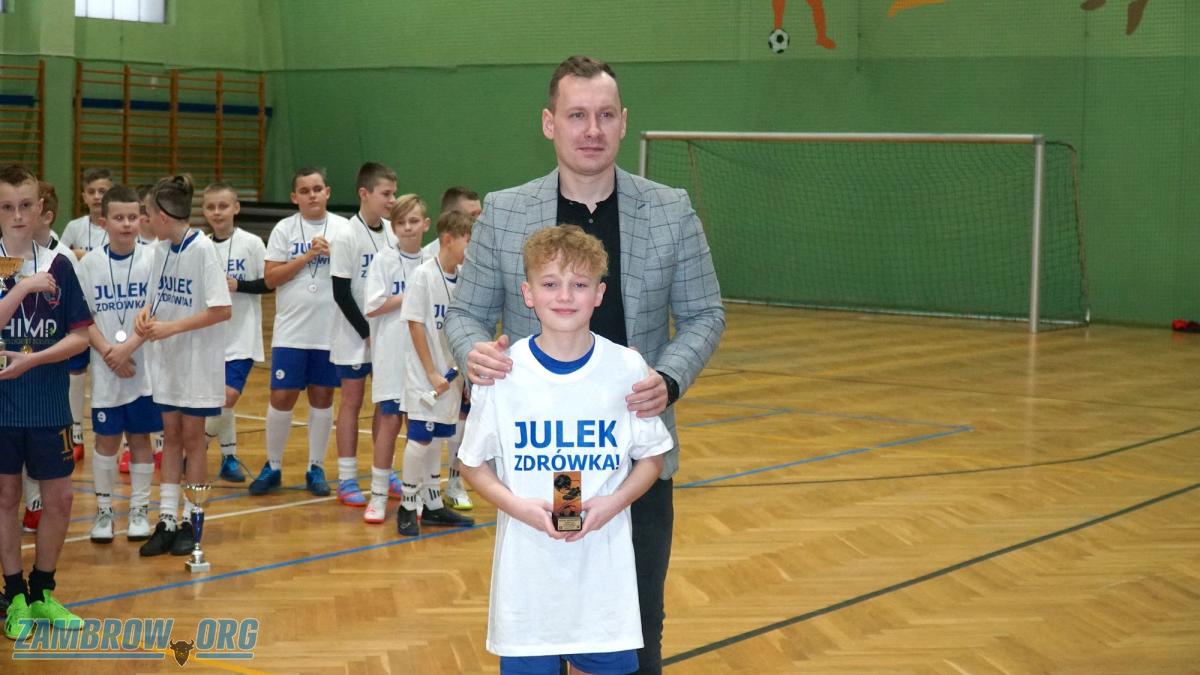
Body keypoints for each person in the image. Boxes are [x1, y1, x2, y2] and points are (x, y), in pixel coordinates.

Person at [445, 55, 726, 674]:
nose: (591, 129)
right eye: (577, 115)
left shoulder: (670, 208)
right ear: (550, 123)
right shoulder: (506, 211)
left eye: (604, 115)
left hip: (632, 460)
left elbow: (705, 313)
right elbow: (463, 314)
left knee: (635, 629)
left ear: (623, 122)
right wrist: (473, 352)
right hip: (539, 465)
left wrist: (668, 380)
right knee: (538, 630)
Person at [458, 225, 673, 675]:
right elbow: (472, 465)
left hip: (603, 583)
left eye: (579, 284)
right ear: (528, 293)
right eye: (550, 283)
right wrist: (519, 507)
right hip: (528, 583)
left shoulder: (626, 367)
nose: (565, 296)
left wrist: (614, 502)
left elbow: (652, 457)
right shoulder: (504, 372)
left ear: (599, 294)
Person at [0, 164, 91, 636]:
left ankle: (42, 592)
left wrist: (33, 360)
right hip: (2, 407)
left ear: (40, 209)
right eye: (7, 207)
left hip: (50, 404)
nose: (17, 216)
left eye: (24, 206)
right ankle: (14, 595)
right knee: (6, 497)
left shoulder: (60, 264)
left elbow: (81, 337)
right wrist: (21, 287)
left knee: (61, 498)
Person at [133, 175, 232, 557]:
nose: (144, 220)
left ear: (162, 216)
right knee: (169, 437)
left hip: (198, 362)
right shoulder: (160, 250)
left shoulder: (203, 249)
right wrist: (145, 315)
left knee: (193, 439)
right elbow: (155, 299)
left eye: (147, 214)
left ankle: (193, 519)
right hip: (169, 360)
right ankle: (167, 520)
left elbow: (221, 309)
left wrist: (172, 327)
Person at [249, 167, 347, 498]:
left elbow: (358, 275)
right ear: (295, 197)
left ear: (327, 192)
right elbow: (271, 278)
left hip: (329, 330)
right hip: (291, 330)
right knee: (281, 396)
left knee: (323, 396)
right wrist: (307, 256)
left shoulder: (344, 229)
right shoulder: (284, 229)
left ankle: (315, 467)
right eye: (304, 191)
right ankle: (273, 465)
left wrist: (335, 254)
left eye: (317, 189)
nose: (312, 195)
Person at [77, 185, 159, 544]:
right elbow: (83, 318)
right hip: (106, 369)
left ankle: (139, 510)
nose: (127, 224)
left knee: (141, 439)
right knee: (106, 441)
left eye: (132, 217)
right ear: (103, 222)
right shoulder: (90, 264)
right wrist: (111, 353)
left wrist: (128, 350)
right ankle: (104, 512)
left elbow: (157, 311)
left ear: (141, 219)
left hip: (143, 369)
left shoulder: (153, 259)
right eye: (119, 218)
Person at [396, 210, 476, 536]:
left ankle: (432, 503)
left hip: (450, 375)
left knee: (437, 441)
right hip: (425, 374)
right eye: (468, 241)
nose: (471, 248)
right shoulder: (423, 275)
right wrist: (430, 371)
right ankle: (406, 505)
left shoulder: (463, 278)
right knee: (420, 438)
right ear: (448, 239)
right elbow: (415, 323)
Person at [329, 162, 398, 507]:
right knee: (352, 401)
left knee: (386, 403)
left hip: (386, 335)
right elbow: (341, 292)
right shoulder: (346, 235)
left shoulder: (393, 233)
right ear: (364, 193)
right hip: (354, 334)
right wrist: (366, 332)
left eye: (394, 193)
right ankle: (346, 477)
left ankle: (383, 472)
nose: (392, 200)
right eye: (386, 194)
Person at [360, 194, 429, 523]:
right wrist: (408, 295)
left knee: (421, 426)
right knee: (389, 422)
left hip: (423, 358)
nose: (408, 227)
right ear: (394, 227)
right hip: (391, 354)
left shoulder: (432, 262)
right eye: (401, 222)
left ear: (426, 224)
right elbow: (372, 305)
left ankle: (418, 494)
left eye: (413, 221)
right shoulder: (383, 260)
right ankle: (377, 495)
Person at [202, 182, 270, 483]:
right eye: (211, 207)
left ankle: (198, 444)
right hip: (210, 336)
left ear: (236, 208)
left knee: (228, 395)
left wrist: (238, 285)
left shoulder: (252, 243)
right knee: (218, 400)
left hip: (242, 336)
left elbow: (269, 283)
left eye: (223, 206)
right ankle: (229, 457)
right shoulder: (201, 246)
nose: (217, 212)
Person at [59, 169, 113, 462]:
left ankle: (132, 444)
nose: (96, 196)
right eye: (91, 191)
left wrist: (86, 256)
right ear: (83, 196)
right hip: (80, 311)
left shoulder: (116, 225)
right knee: (76, 372)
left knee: (113, 369)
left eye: (102, 191)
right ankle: (75, 434)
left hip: (110, 312)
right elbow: (62, 260)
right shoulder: (74, 227)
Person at [422, 187, 481, 258]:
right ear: (451, 217)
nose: (480, 220)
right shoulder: (427, 257)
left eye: (480, 214)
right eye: (472, 215)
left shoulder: (487, 251)